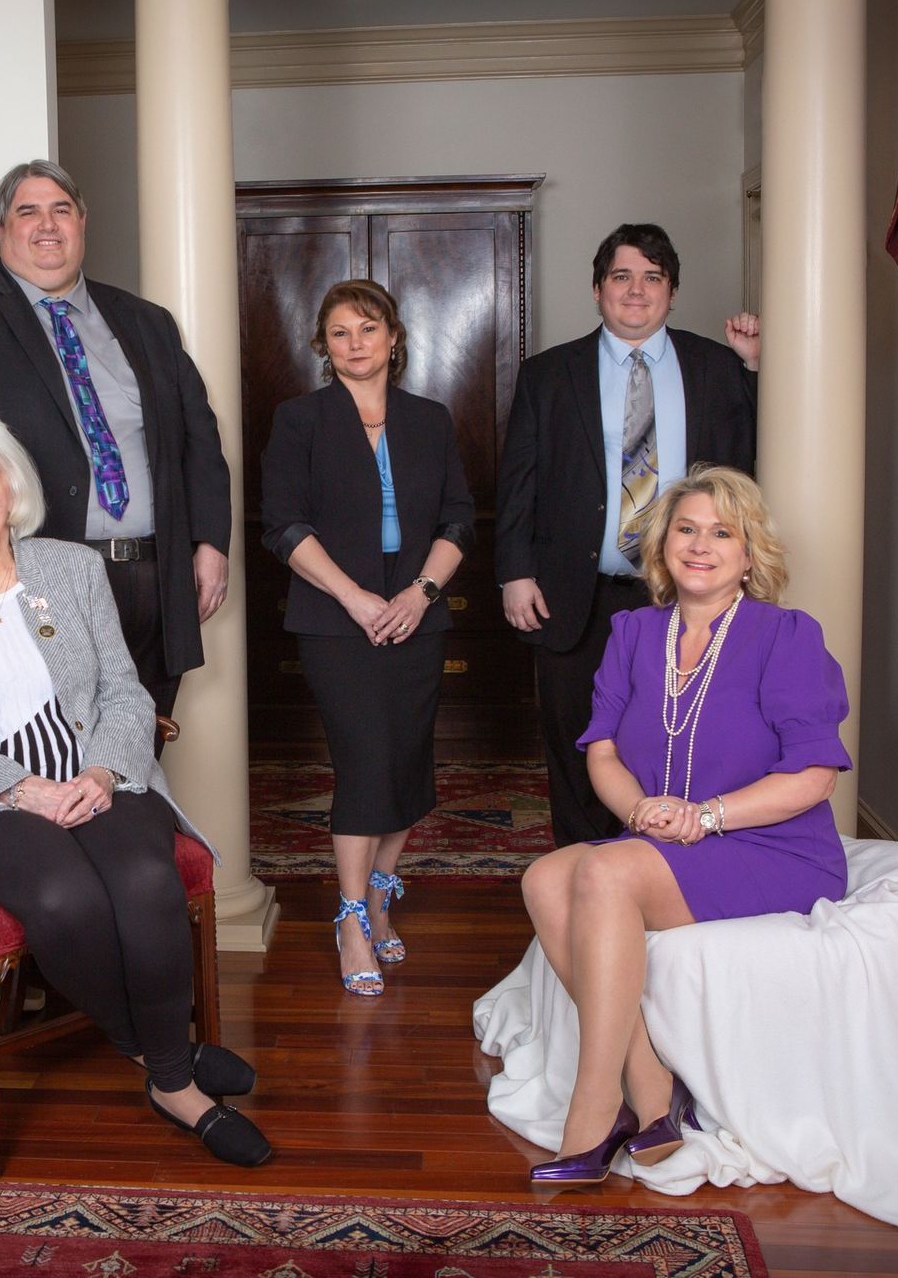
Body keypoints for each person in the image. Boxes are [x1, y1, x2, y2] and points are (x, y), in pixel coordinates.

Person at [0, 408, 270, 1167]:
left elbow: (123, 690)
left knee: (146, 877)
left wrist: (98, 772)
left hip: (89, 770)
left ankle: (167, 1067)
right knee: (63, 897)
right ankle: (171, 1072)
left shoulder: (72, 570)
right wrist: (23, 790)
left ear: (12, 486)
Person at [517, 466, 850, 1185]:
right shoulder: (635, 632)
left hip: (771, 848)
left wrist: (708, 816)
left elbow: (813, 776)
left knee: (604, 869)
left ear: (750, 552)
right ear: (663, 545)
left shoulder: (785, 635)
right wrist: (638, 809)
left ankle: (596, 1102)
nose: (701, 546)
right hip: (666, 838)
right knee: (546, 877)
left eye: (722, 533)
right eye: (686, 529)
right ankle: (651, 1086)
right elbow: (602, 748)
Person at [0, 159, 232, 721]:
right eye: (28, 212)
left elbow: (198, 439)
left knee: (138, 749)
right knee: (49, 757)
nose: (48, 224)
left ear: (82, 222)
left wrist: (211, 541)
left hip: (157, 580)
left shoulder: (147, 322)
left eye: (61, 210)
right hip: (32, 578)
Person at [495, 223, 762, 847]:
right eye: (622, 276)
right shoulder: (549, 375)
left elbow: (754, 461)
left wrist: (753, 367)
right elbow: (518, 484)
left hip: (682, 596)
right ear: (597, 289)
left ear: (672, 292)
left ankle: (660, 876)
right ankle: (584, 878)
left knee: (674, 741)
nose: (636, 291)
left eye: (652, 278)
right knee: (578, 741)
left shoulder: (716, 368)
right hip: (572, 594)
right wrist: (515, 571)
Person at [260, 281, 472, 997]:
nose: (355, 342)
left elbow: (457, 523)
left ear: (393, 338)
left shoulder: (431, 420)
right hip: (333, 621)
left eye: (368, 328)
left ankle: (383, 894)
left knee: (408, 762)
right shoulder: (300, 420)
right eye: (340, 331)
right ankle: (351, 919)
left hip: (418, 617)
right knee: (364, 762)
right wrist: (354, 598)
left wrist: (419, 594)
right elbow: (283, 525)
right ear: (324, 344)